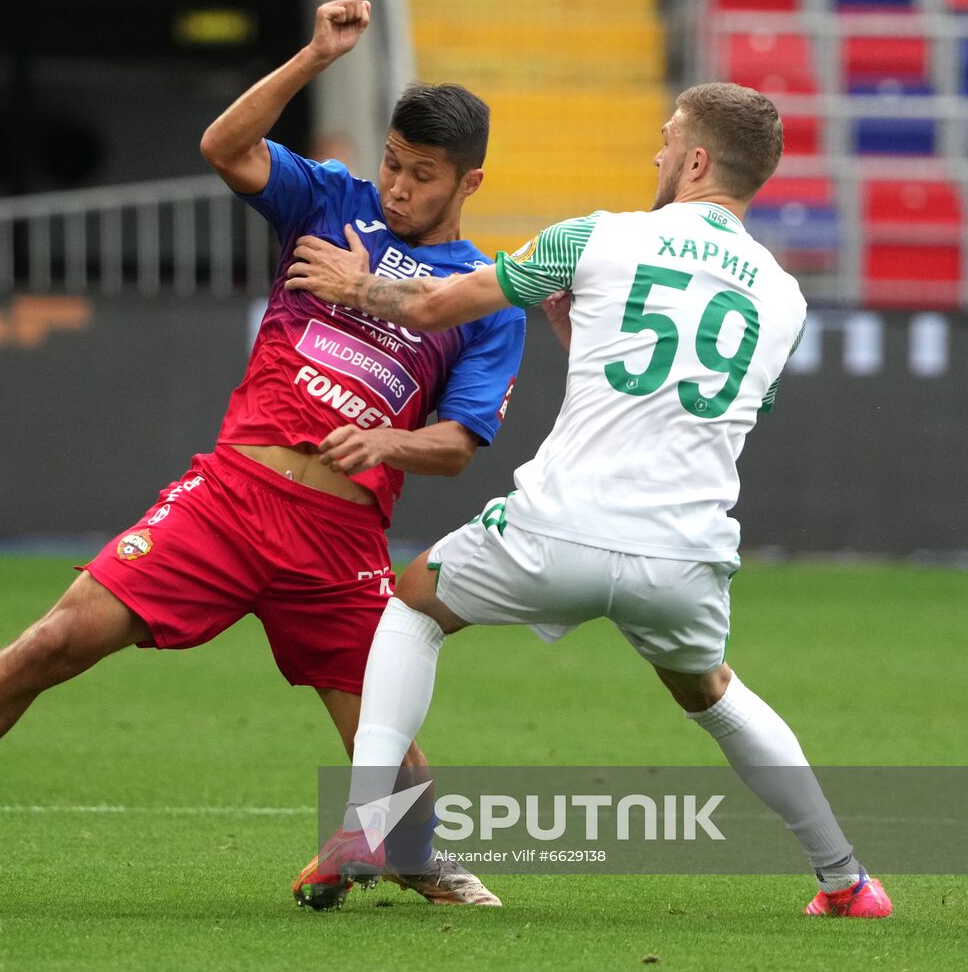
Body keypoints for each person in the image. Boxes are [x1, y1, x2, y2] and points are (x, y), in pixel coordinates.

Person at [0, 0, 526, 908]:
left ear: (471, 183)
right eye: (392, 163)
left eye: (423, 175)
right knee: (57, 638)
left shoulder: (485, 297)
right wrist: (312, 57)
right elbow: (225, 148)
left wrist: (387, 436)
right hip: (230, 502)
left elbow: (455, 446)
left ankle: (411, 856)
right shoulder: (335, 202)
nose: (399, 188)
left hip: (338, 545)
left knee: (380, 726)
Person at [285, 82, 892, 918]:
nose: (657, 151)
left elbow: (430, 305)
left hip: (557, 529)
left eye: (669, 137)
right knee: (712, 691)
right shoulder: (784, 301)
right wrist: (582, 334)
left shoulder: (597, 237)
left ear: (698, 160)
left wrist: (357, 286)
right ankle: (847, 880)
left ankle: (364, 826)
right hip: (681, 554)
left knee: (414, 604)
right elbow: (695, 397)